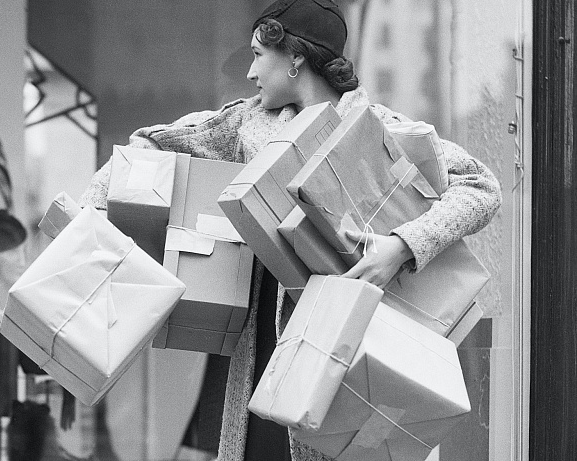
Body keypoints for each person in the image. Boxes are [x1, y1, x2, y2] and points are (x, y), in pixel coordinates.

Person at [79, 1, 502, 460]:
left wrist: (402, 247)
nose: (249, 72)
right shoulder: (247, 125)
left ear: (296, 57)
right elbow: (150, 145)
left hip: (348, 365)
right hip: (261, 364)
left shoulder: (379, 129)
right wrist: (88, 217)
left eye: (258, 54)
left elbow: (481, 186)